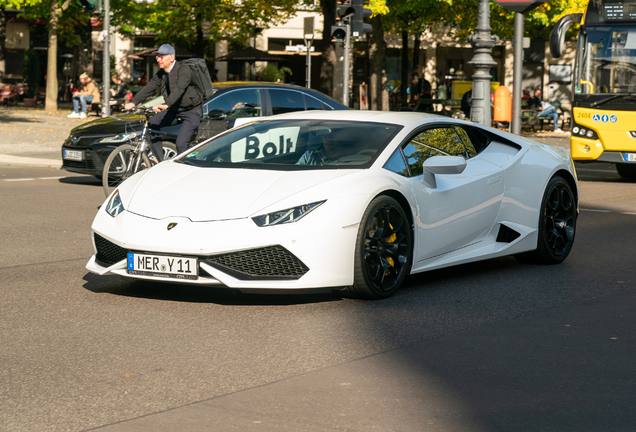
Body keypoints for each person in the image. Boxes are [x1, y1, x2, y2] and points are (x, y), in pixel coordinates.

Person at [124, 44, 203, 161]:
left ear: (172, 57)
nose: (158, 60)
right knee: (152, 124)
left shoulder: (184, 69)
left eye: (162, 57)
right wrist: (133, 102)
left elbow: (180, 89)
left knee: (181, 144)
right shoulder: (161, 74)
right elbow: (149, 88)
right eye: (158, 57)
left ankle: (188, 169)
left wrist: (166, 104)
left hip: (191, 112)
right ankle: (160, 160)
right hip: (174, 110)